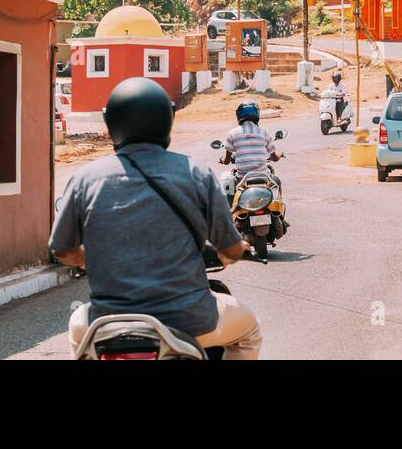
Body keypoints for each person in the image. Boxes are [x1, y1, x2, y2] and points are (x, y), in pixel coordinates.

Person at [51, 77, 263, 359]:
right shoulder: (197, 174)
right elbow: (230, 249)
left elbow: (61, 249)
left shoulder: (84, 179)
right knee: (248, 331)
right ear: (168, 119)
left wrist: (88, 258)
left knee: (77, 325)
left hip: (108, 324)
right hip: (190, 320)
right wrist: (237, 251)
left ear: (110, 122)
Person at [221, 100, 282, 199]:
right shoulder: (264, 132)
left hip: (242, 178)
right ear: (257, 114)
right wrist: (280, 154)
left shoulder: (232, 133)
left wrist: (222, 160)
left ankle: (230, 210)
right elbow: (274, 157)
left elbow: (227, 161)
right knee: (277, 181)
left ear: (239, 115)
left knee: (228, 183)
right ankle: (277, 212)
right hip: (263, 177)